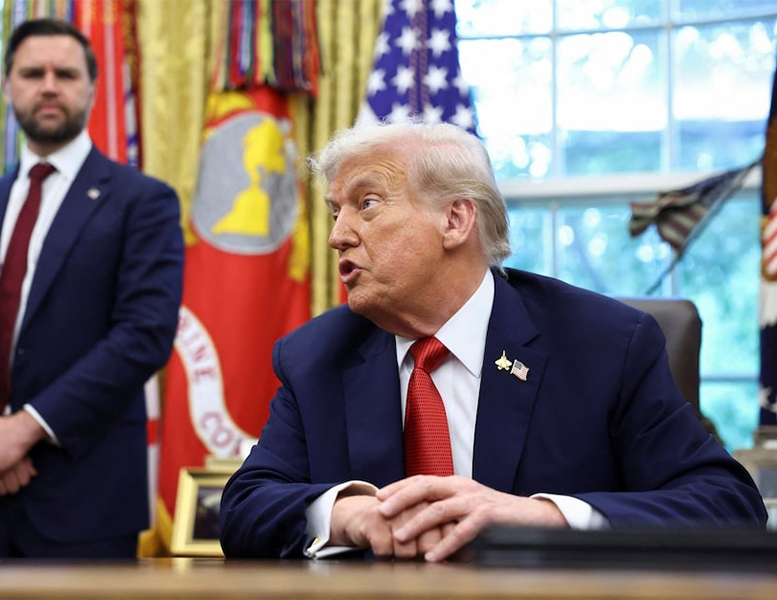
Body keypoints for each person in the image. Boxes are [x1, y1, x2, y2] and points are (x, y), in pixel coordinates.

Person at [218, 122, 767, 561]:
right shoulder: (316, 356)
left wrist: (542, 518)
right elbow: (243, 507)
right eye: (335, 211)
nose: (338, 235)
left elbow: (728, 505)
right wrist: (349, 515)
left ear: (455, 220)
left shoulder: (604, 344)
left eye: (367, 204)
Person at [0, 18, 183, 558]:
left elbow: (143, 334)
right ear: (8, 85)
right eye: (33, 73)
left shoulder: (143, 202)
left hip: (85, 504)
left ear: (92, 88)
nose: (49, 86)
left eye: (66, 74)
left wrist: (23, 430)